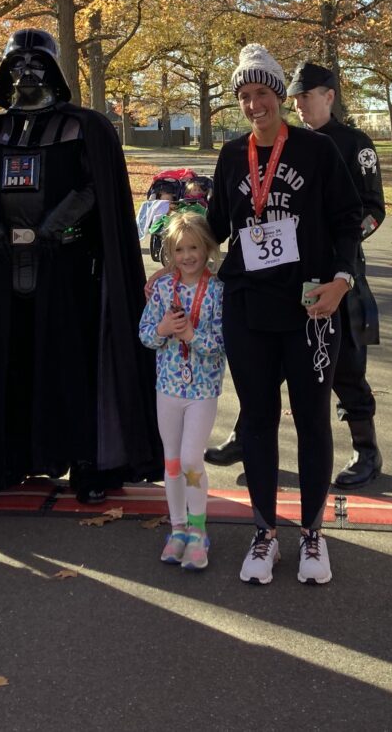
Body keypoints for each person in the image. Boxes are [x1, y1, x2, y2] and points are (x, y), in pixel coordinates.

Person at [0, 28, 160, 507]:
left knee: (71, 366)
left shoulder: (85, 128)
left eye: (37, 63)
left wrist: (57, 225)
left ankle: (88, 461)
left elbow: (97, 187)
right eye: (17, 64)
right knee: (4, 364)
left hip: (67, 272)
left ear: (54, 71)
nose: (26, 72)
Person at [205, 44, 363, 586]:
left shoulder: (317, 150)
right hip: (248, 306)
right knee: (256, 419)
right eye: (245, 96)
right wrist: (175, 243)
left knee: (313, 418)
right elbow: (216, 225)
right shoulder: (232, 155)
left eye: (263, 93)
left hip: (311, 306)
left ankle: (313, 532)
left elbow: (348, 219)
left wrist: (342, 280)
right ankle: (265, 532)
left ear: (279, 94)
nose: (255, 105)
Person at [207, 61, 386, 488]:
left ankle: (366, 448)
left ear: (329, 96)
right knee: (263, 367)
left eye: (307, 96)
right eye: (297, 97)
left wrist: (339, 257)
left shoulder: (350, 144)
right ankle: (247, 438)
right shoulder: (261, 145)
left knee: (343, 366)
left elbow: (369, 210)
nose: (300, 104)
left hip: (332, 274)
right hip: (270, 279)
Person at [139, 212, 224, 571]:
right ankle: (178, 529)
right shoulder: (161, 289)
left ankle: (199, 531)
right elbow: (145, 335)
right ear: (169, 253)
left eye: (194, 248)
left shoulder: (218, 291)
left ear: (207, 249)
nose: (187, 256)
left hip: (202, 389)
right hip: (168, 387)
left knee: (191, 459)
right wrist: (162, 329)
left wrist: (192, 336)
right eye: (179, 249)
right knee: (172, 461)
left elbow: (222, 344)